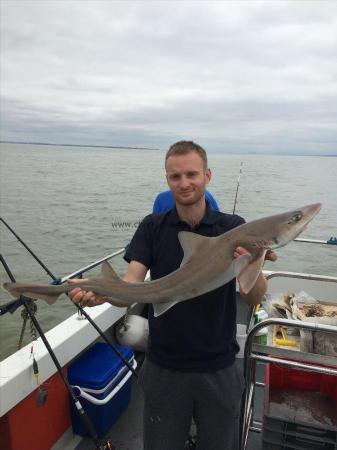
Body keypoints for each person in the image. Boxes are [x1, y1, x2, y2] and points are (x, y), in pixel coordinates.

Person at [69, 141, 276, 450]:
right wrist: (101, 294)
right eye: (175, 177)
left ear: (207, 175)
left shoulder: (233, 228)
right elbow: (130, 288)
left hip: (218, 364)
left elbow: (255, 296)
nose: (184, 183)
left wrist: (252, 263)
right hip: (163, 365)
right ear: (167, 179)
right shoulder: (152, 228)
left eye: (192, 174)